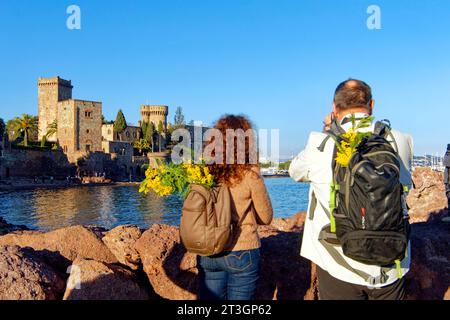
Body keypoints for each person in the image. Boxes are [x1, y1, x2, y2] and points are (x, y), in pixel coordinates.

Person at [289, 79, 414, 300]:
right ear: (372, 105)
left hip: (338, 264)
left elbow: (295, 171)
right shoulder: (399, 140)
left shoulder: (321, 142)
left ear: (334, 109)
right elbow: (404, 185)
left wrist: (327, 129)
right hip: (391, 263)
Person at [197, 115, 274, 300]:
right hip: (242, 250)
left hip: (209, 248)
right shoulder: (249, 174)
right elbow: (266, 217)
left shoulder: (203, 172)